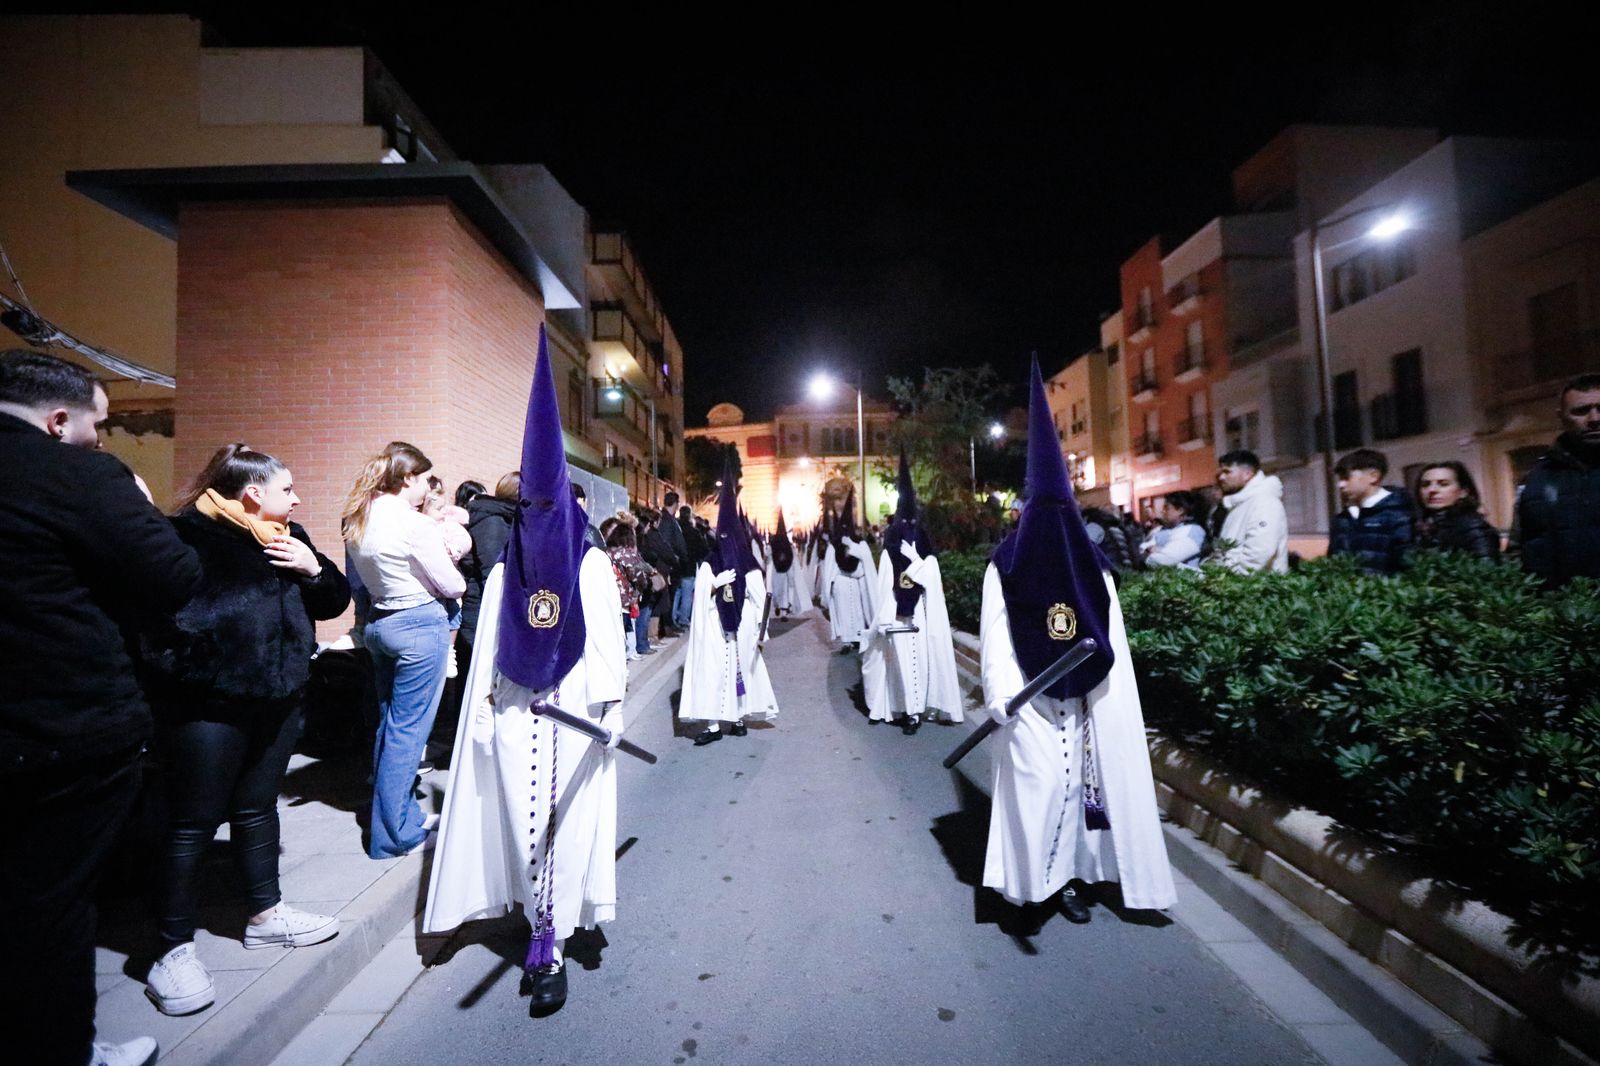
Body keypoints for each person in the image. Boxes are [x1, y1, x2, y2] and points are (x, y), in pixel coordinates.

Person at [0, 348, 203, 1066]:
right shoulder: (76, 475)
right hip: (62, 728)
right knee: (52, 910)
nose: (102, 438)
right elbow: (172, 575)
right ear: (58, 421)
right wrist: (138, 509)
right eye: (100, 424)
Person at [425, 326, 627, 1014]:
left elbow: (607, 650)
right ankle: (536, 914)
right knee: (522, 822)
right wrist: (483, 713)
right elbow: (488, 651)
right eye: (529, 511)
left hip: (573, 721)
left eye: (551, 510)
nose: (540, 522)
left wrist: (608, 715)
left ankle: (552, 944)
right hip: (517, 717)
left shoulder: (593, 563)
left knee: (565, 831)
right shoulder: (509, 567)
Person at [140, 444, 350, 1016]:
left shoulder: (289, 534)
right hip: (207, 706)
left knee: (257, 808)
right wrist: (206, 662)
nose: (297, 498)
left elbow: (333, 601)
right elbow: (160, 618)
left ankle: (265, 915)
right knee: (192, 822)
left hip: (279, 699)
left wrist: (313, 568)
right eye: (287, 489)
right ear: (252, 492)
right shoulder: (186, 535)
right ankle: (171, 948)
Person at [979, 357, 1175, 927]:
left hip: (1085, 700)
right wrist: (1001, 692)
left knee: (1084, 792)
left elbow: (1110, 632)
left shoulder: (1097, 567)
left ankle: (1073, 878)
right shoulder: (1006, 564)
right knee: (1041, 785)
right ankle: (1032, 883)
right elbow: (995, 633)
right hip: (1031, 698)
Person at [343, 442, 465, 858]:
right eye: (425, 479)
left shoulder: (358, 516)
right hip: (418, 624)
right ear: (408, 479)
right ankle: (396, 833)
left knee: (388, 727)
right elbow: (453, 585)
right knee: (408, 734)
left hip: (380, 622)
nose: (427, 488)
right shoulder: (414, 524)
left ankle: (397, 819)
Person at [680, 456, 781, 745]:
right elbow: (699, 597)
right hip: (715, 627)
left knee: (739, 673)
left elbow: (760, 596)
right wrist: (714, 584)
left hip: (742, 627)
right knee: (712, 674)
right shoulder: (709, 563)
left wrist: (762, 630)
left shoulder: (747, 562)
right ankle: (712, 725)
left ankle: (737, 718)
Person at [861, 452, 962, 735]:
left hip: (919, 614)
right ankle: (901, 708)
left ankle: (915, 712)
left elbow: (932, 572)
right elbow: (884, 581)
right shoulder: (891, 543)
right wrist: (884, 615)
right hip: (896, 611)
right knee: (898, 664)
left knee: (917, 662)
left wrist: (917, 564)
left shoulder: (922, 537)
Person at [1511, 373, 1600, 587]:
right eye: (1581, 411)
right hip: (1559, 610)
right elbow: (1518, 546)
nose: (1594, 419)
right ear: (1561, 416)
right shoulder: (1537, 479)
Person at [1330, 448, 1411, 576]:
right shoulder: (1342, 519)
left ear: (1373, 476)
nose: (1340, 484)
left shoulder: (1399, 517)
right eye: (1340, 478)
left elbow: (1407, 566)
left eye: (1346, 477)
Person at [1210, 450, 1289, 574]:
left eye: (1227, 472)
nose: (1221, 477)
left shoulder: (1264, 502)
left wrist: (1227, 579)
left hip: (1255, 589)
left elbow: (1258, 555)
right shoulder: (1240, 503)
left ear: (1247, 474)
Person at [1413, 462, 1499, 560]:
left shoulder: (1473, 528)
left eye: (1443, 484)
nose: (1432, 490)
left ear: (1463, 492)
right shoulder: (1422, 525)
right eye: (1425, 484)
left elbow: (1487, 569)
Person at [827, 489, 877, 653]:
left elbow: (865, 562)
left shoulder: (859, 544)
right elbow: (831, 568)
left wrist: (853, 548)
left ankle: (858, 638)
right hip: (841, 582)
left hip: (856, 583)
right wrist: (831, 586)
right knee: (844, 612)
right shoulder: (834, 546)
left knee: (857, 611)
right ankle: (846, 641)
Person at [606, 521, 658, 660]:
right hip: (624, 596)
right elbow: (636, 575)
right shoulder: (626, 554)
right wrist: (644, 584)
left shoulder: (607, 551)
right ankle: (627, 655)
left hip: (609, 594)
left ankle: (624, 654)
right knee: (626, 627)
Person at [1139, 490, 1208, 569]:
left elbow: (1164, 561)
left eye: (1167, 508)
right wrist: (1155, 551)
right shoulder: (1164, 530)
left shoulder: (1194, 531)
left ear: (1180, 511)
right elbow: (1142, 548)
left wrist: (1154, 553)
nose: (1163, 511)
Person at [659, 490, 692, 631]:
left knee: (671, 595)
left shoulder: (669, 519)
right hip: (669, 565)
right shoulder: (667, 520)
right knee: (669, 596)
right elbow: (666, 543)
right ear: (675, 503)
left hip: (673, 564)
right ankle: (667, 625)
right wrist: (674, 558)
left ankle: (670, 623)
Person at [766, 511, 806, 617]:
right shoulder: (787, 544)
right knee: (782, 590)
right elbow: (791, 557)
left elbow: (768, 555)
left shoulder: (774, 543)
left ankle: (782, 610)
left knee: (778, 590)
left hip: (777, 571)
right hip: (783, 570)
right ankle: (781, 609)